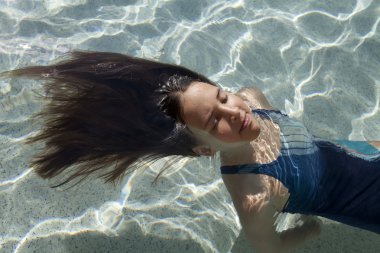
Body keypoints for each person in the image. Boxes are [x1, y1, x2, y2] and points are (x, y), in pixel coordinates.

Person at [2, 51, 379, 253]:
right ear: (202, 148)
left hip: (363, 154)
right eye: (216, 122)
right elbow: (270, 247)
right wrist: (309, 232)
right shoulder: (253, 193)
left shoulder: (252, 99)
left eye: (222, 96)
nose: (235, 111)